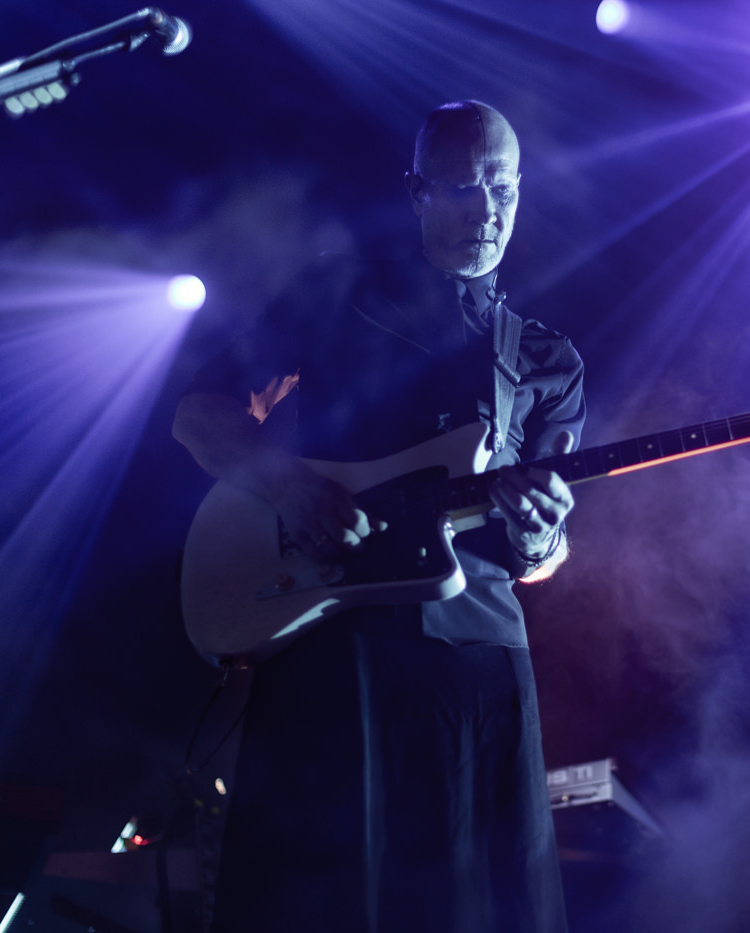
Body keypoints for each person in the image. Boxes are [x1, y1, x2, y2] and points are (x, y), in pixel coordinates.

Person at [173, 100, 585, 932]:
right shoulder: (335, 296)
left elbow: (543, 555)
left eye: (501, 189)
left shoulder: (545, 358)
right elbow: (199, 415)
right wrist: (286, 484)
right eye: (462, 189)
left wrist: (542, 530)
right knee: (325, 900)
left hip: (481, 662)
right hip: (341, 644)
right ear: (418, 192)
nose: (485, 211)